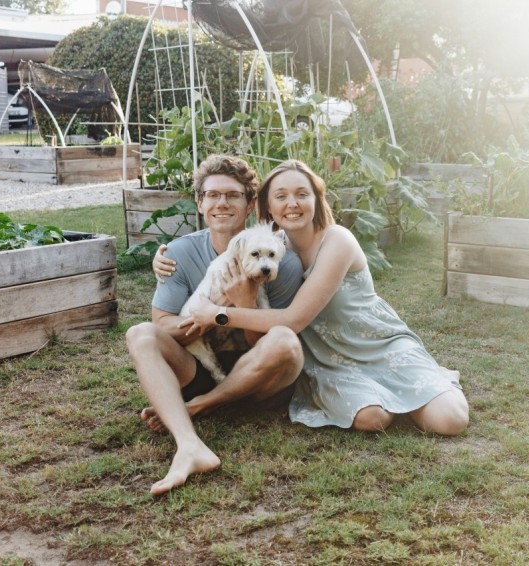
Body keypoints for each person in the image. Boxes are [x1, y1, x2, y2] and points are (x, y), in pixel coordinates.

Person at [174, 159, 469, 435]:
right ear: (266, 206)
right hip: (327, 359)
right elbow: (224, 249)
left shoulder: (337, 239)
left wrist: (216, 314)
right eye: (281, 196)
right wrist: (162, 258)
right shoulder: (273, 247)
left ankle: (426, 382)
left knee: (449, 421)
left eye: (302, 194)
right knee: (372, 420)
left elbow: (293, 319)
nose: (292, 203)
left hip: (376, 343)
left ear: (317, 199)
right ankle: (385, 397)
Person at [125, 154, 305, 495]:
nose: (221, 203)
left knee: (283, 340)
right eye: (212, 195)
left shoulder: (280, 260)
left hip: (260, 380)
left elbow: (268, 344)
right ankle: (188, 444)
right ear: (200, 202)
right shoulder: (178, 252)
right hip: (201, 372)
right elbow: (163, 327)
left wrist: (243, 304)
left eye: (233, 195)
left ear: (251, 203)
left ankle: (198, 408)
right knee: (140, 334)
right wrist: (207, 315)